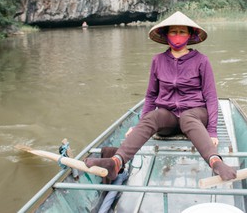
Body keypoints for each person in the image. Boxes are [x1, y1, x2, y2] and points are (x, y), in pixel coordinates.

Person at [85, 11, 237, 182]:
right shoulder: (158, 61)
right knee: (154, 116)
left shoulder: (201, 60)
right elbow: (151, 96)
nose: (177, 36)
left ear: (190, 35)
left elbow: (210, 97)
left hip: (196, 113)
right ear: (166, 35)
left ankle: (215, 161)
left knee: (187, 117)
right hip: (169, 117)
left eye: (182, 32)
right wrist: (139, 125)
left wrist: (212, 131)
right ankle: (116, 162)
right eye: (173, 31)